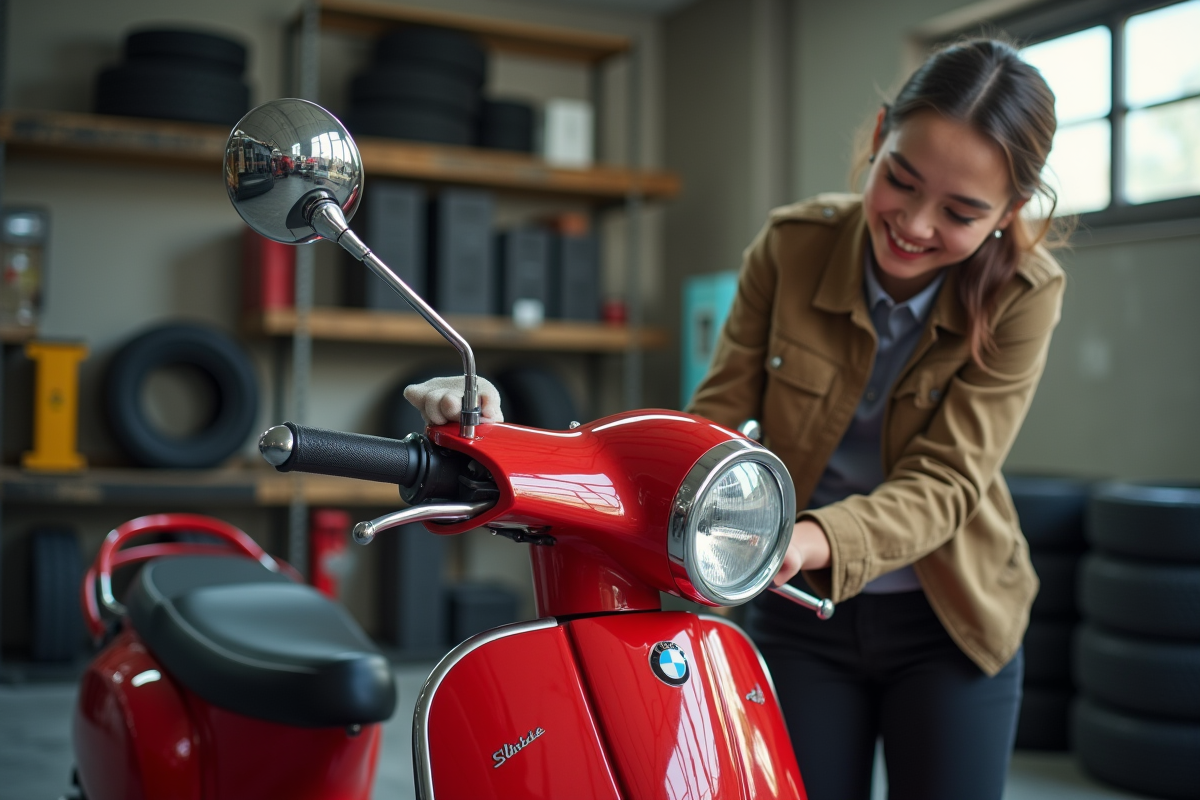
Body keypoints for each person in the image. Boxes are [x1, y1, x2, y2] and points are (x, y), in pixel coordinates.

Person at [685, 38, 1063, 800]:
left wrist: (817, 536)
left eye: (960, 212)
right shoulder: (792, 246)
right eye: (901, 179)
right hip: (799, 614)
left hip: (951, 623)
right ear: (881, 134)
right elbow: (716, 423)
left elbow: (949, 480)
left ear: (1010, 212)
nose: (916, 225)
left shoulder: (1026, 292)